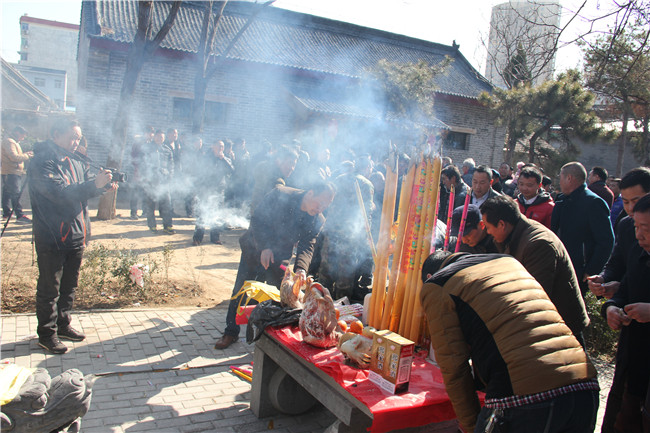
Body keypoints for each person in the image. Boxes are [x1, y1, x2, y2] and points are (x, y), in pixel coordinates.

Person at [420, 251, 599, 433]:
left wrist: (471, 425)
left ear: (429, 276)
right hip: (584, 387)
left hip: (525, 400)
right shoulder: (507, 261)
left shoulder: (438, 284)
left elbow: (454, 367)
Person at [28, 119, 117, 354]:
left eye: (78, 138)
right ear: (55, 135)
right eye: (72, 137)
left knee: (69, 286)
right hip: (53, 235)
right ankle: (47, 334)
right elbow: (59, 193)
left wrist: (101, 187)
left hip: (76, 233)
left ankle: (63, 325)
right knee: (50, 288)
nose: (76, 142)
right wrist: (93, 185)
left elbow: (82, 190)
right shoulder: (43, 161)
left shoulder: (76, 160)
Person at [214, 182, 336, 349]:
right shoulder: (281, 195)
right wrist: (265, 247)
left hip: (280, 257)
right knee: (241, 290)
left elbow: (307, 245)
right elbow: (257, 219)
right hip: (255, 247)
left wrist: (301, 269)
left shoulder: (317, 219)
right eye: (320, 203)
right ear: (310, 193)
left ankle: (268, 338)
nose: (320, 209)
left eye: (325, 206)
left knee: (279, 298)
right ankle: (230, 332)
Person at [480, 195, 589, 340]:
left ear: (501, 224)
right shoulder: (514, 232)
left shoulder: (538, 244)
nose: (488, 232)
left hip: (561, 324)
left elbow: (535, 295)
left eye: (488, 227)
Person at [600, 193, 650, 433]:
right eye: (636, 227)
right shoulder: (641, 256)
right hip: (634, 361)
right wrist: (611, 308)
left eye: (646, 229)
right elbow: (624, 290)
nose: (639, 235)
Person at [551, 161, 614, 294]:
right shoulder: (562, 200)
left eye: (560, 177)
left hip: (579, 270)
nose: (559, 182)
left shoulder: (593, 203)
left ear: (569, 178)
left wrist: (591, 270)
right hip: (559, 266)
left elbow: (606, 241)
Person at [588, 167, 650, 300]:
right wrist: (603, 279)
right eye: (626, 202)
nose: (630, 208)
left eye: (636, 201)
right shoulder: (625, 225)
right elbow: (617, 263)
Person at [318, 157, 374, 302]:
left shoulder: (339, 179)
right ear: (367, 168)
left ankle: (320, 303)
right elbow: (366, 214)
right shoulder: (366, 184)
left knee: (326, 270)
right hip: (351, 235)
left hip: (332, 231)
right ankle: (340, 307)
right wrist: (365, 237)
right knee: (345, 275)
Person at [192, 140, 234, 246]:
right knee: (202, 214)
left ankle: (215, 237)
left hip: (219, 190)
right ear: (213, 146)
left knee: (217, 214)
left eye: (222, 146)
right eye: (219, 146)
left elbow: (232, 171)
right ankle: (197, 238)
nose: (221, 148)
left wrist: (223, 159)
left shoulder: (226, 159)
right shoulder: (205, 158)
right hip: (206, 190)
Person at [141, 130, 175, 234]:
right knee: (150, 205)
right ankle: (152, 226)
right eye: (158, 136)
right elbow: (142, 164)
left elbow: (171, 165)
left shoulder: (167, 150)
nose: (160, 139)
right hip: (151, 181)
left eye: (162, 137)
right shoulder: (147, 148)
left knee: (167, 205)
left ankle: (167, 226)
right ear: (154, 137)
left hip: (164, 181)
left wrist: (170, 176)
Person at [250, 145, 298, 214]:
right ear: (278, 161)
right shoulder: (276, 179)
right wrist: (302, 195)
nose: (292, 168)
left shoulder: (263, 166)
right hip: (261, 216)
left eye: (294, 165)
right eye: (290, 163)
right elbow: (278, 188)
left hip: (254, 213)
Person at [2, 126, 33, 222]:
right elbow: (14, 157)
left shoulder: (12, 142)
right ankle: (19, 215)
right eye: (22, 136)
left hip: (10, 171)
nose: (23, 138)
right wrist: (27, 155)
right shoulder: (10, 142)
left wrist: (25, 154)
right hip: (11, 171)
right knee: (15, 193)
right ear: (17, 132)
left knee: (7, 193)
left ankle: (7, 213)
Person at [129, 126, 153, 220]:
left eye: (152, 133)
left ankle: (145, 211)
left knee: (146, 192)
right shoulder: (138, 143)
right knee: (135, 192)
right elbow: (133, 156)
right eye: (149, 133)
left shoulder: (151, 143)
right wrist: (137, 168)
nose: (151, 135)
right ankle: (133, 212)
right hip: (138, 170)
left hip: (148, 171)